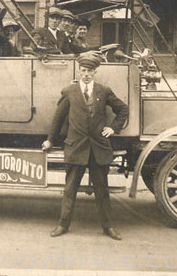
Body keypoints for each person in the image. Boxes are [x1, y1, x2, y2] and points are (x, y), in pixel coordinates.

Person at [42, 52, 128, 241]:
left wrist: (113, 128)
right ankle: (62, 225)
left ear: (95, 72)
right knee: (70, 189)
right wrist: (50, 140)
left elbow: (123, 109)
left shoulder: (103, 91)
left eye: (90, 71)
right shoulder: (70, 91)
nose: (86, 74)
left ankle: (108, 227)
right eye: (83, 70)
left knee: (102, 190)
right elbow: (58, 118)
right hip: (76, 147)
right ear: (79, 71)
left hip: (98, 147)